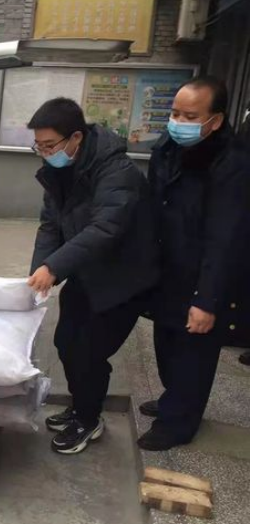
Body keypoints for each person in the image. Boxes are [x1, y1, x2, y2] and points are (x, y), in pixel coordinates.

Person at [27, 98, 158, 455]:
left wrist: (55, 267)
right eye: (39, 146)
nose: (45, 153)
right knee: (66, 343)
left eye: (50, 145)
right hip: (86, 272)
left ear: (76, 138)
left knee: (88, 353)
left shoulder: (117, 172)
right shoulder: (60, 170)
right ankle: (81, 407)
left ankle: (88, 419)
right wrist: (40, 270)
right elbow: (50, 225)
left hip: (122, 281)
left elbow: (105, 229)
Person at [138, 77, 249, 450]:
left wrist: (207, 300)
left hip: (204, 275)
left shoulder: (232, 163)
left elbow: (226, 238)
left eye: (189, 116)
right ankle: (173, 400)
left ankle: (178, 424)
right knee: (167, 344)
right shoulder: (168, 147)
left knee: (194, 355)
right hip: (169, 268)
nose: (178, 122)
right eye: (174, 113)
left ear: (215, 121)